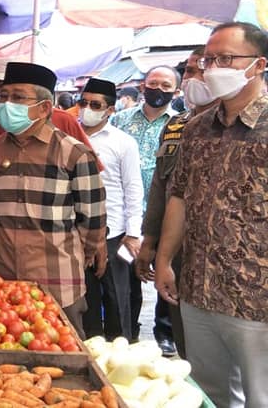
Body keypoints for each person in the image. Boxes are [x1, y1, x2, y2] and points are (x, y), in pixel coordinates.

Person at [155, 22, 268, 407]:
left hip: (257, 298)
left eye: (226, 59)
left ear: (258, 64)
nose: (213, 68)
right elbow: (180, 197)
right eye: (209, 59)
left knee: (260, 396)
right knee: (208, 393)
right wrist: (165, 259)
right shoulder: (198, 128)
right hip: (198, 288)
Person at [0, 62, 107, 333]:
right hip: (5, 279)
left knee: (67, 348)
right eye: (3, 96)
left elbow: (92, 222)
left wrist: (77, 253)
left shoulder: (75, 154)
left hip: (58, 281)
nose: (7, 104)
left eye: (18, 97)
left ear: (45, 108)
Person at [135, 47, 216, 358]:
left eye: (202, 70)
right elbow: (162, 187)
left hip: (232, 264)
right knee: (188, 349)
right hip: (178, 253)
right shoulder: (177, 126)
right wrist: (150, 243)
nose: (194, 78)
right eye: (191, 71)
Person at [110, 64, 180, 354]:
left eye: (166, 86)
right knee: (128, 274)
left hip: (167, 211)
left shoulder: (180, 124)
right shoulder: (119, 120)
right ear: (143, 86)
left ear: (176, 91)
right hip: (127, 211)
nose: (158, 90)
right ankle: (131, 329)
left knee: (168, 269)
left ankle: (165, 332)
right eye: (154, 83)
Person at [77, 78, 143, 340]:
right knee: (86, 297)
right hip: (79, 229)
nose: (87, 109)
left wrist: (133, 232)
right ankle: (91, 348)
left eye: (95, 104)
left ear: (110, 110)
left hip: (115, 232)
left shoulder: (123, 142)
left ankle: (121, 347)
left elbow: (133, 188)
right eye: (84, 102)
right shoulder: (70, 135)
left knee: (117, 297)